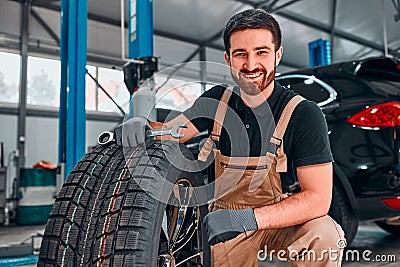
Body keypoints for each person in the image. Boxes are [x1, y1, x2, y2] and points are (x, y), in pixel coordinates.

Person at [115, 8, 345, 267]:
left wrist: (248, 219)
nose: (250, 65)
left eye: (261, 52)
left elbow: (318, 199)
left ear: (278, 54)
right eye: (240, 54)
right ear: (227, 58)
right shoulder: (216, 100)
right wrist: (144, 126)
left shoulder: (302, 113)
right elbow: (174, 130)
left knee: (324, 236)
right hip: (223, 221)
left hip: (277, 218)